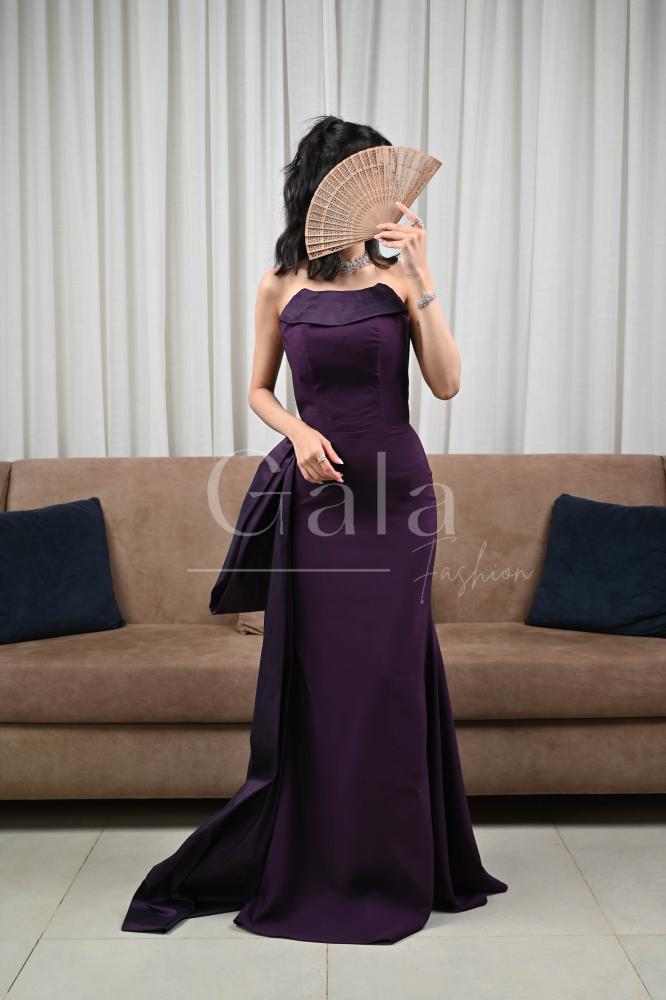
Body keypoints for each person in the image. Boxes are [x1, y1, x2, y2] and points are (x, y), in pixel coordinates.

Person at [121, 114, 508, 944]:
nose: (384, 199)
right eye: (367, 178)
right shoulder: (279, 284)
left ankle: (397, 861)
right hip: (318, 505)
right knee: (324, 680)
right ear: (326, 187)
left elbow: (445, 384)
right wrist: (296, 433)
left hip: (397, 501)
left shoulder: (399, 281)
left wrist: (424, 272)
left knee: (389, 676)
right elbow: (259, 390)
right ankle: (320, 855)